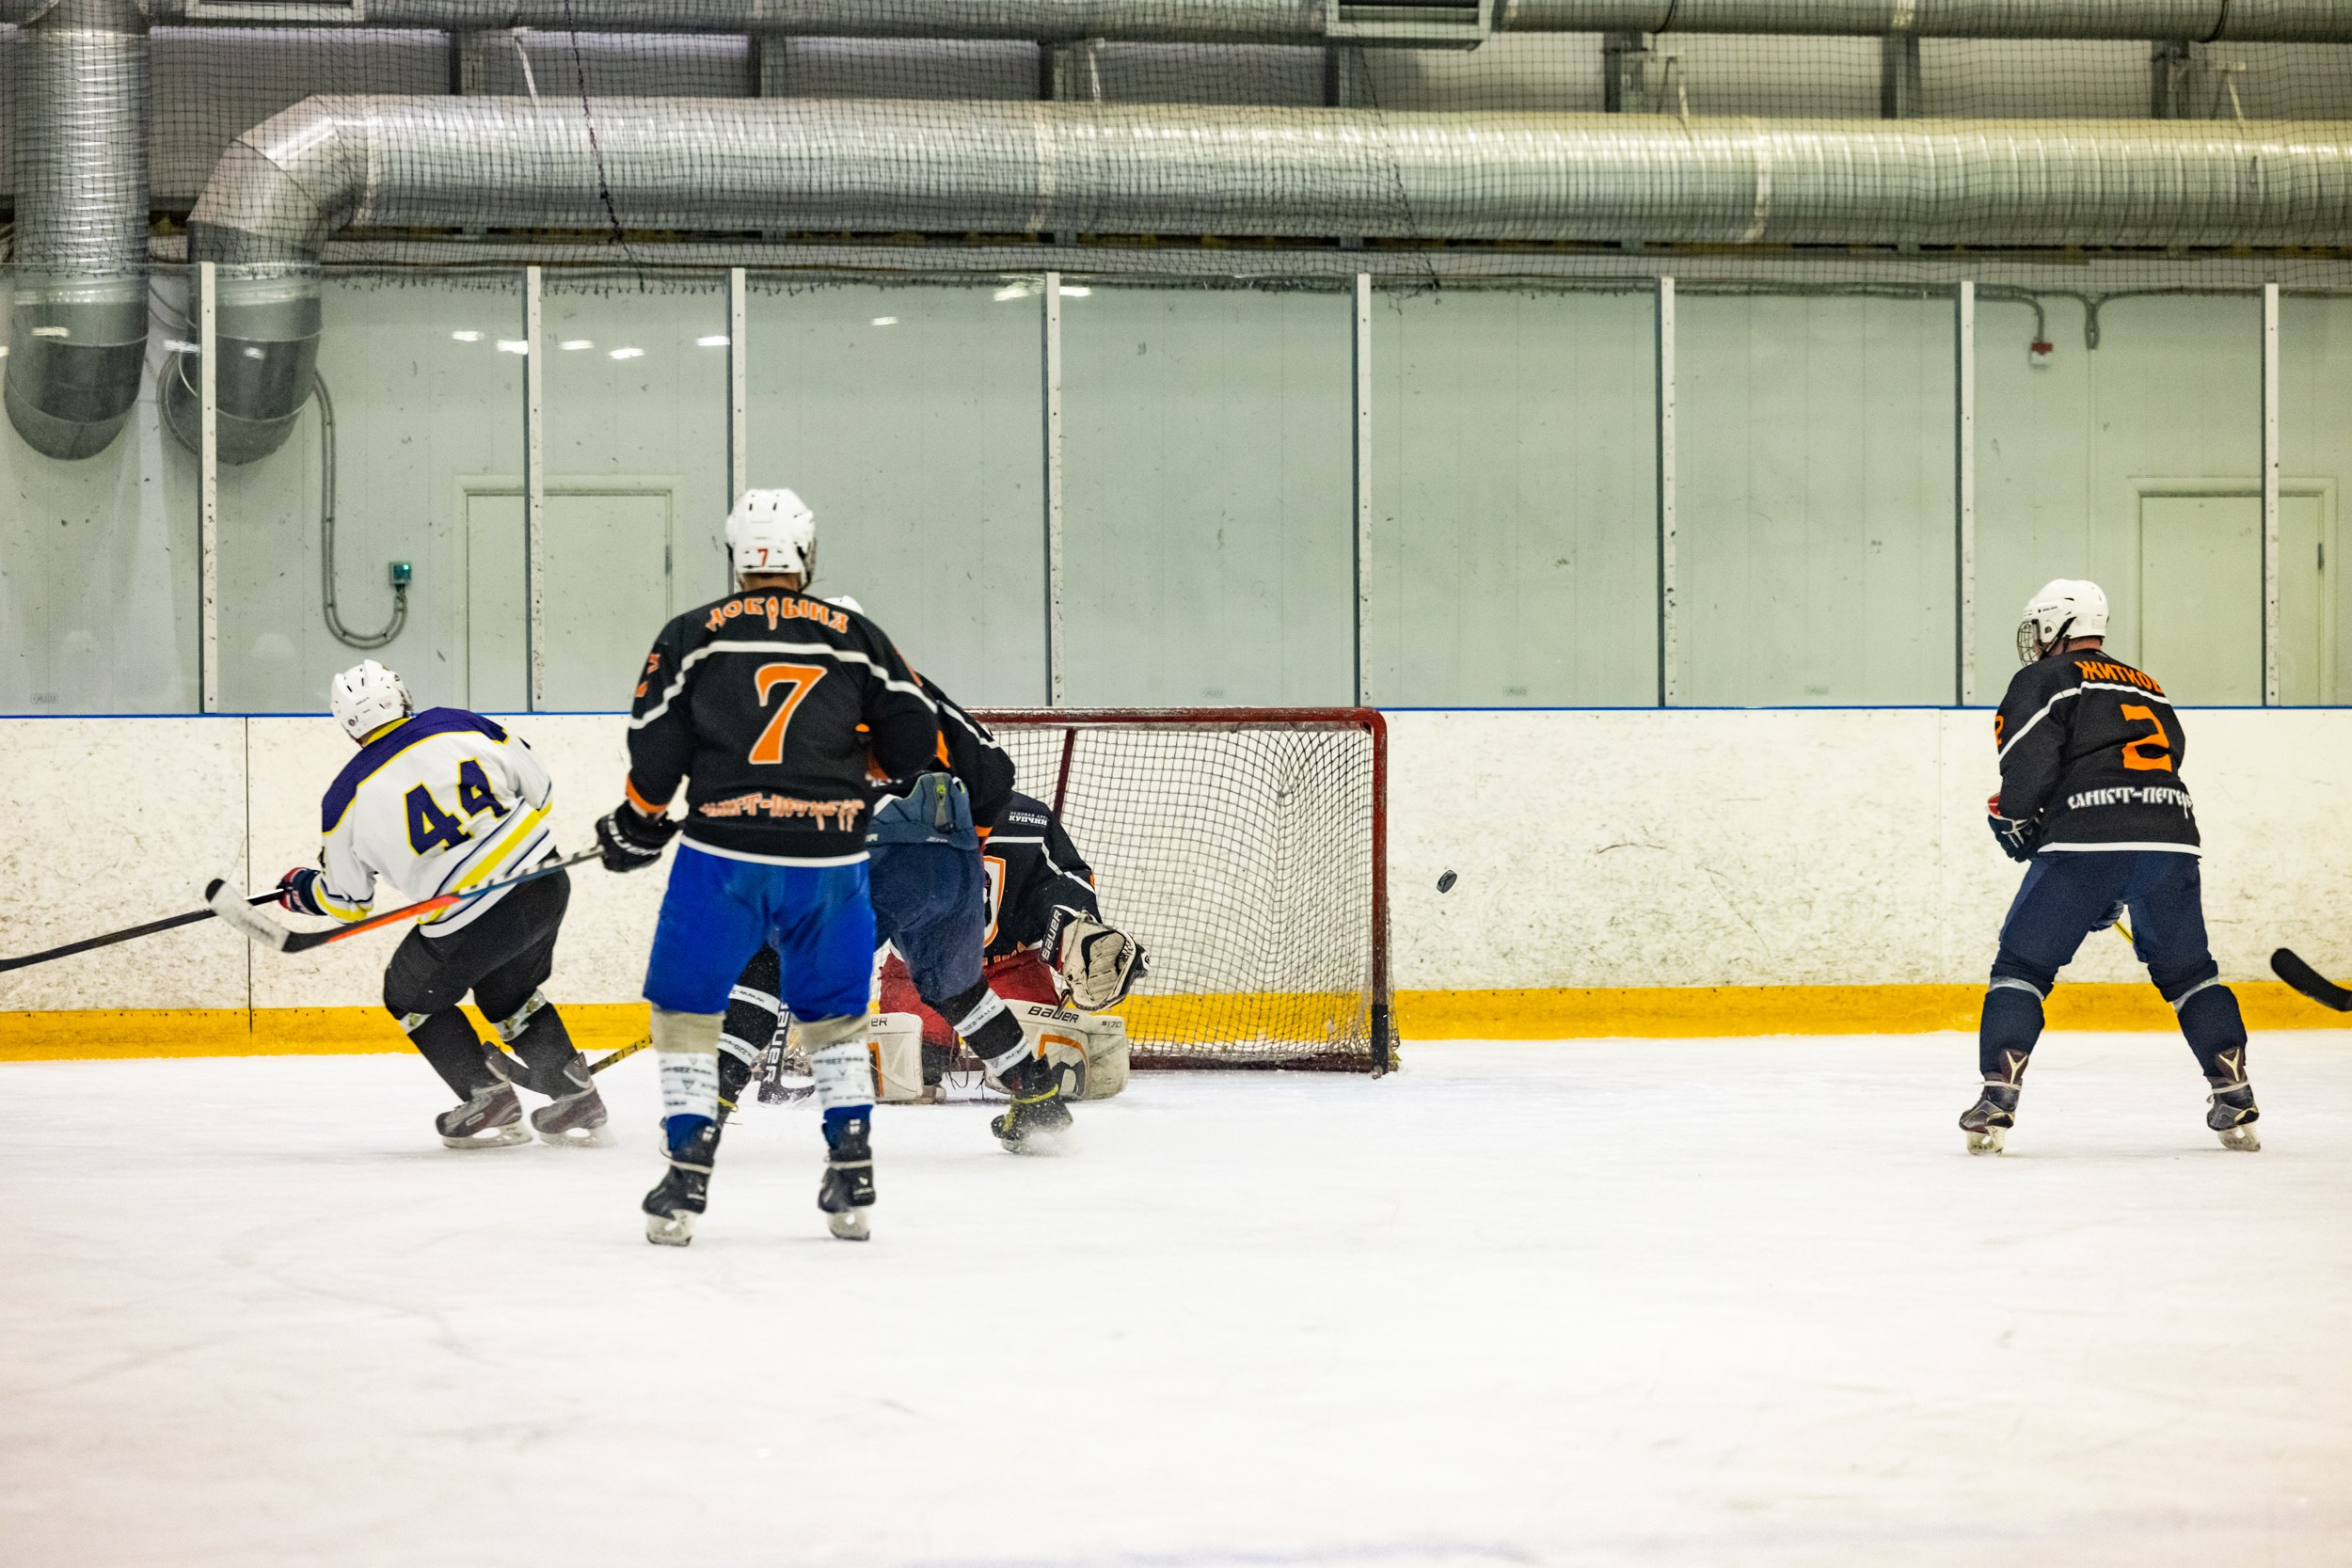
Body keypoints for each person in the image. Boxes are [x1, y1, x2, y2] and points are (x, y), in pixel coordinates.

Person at [595, 489, 937, 1245]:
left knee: (688, 1008)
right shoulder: (855, 636)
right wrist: (862, 761)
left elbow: (655, 747)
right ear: (806, 557)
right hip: (831, 858)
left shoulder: (692, 635)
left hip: (723, 856)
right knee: (836, 1015)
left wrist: (637, 820)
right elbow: (916, 743)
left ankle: (687, 1167)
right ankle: (851, 1165)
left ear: (736, 557)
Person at [1969, 578, 2259, 1154]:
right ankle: (2234, 1091)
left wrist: (2022, 822)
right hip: (2172, 839)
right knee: (2190, 973)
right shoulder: (2149, 686)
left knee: (2022, 966)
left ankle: (1998, 1095)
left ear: (2055, 626)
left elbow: (2026, 768)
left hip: (2085, 842)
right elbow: (2163, 762)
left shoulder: (2043, 678)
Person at [275, 659, 606, 1149]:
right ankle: (574, 1094)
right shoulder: (459, 721)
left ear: (347, 726)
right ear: (402, 697)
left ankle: (487, 1094)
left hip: (471, 921)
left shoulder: (343, 797)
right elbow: (542, 793)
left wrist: (305, 890)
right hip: (543, 885)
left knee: (407, 997)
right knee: (507, 996)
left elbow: (348, 904)